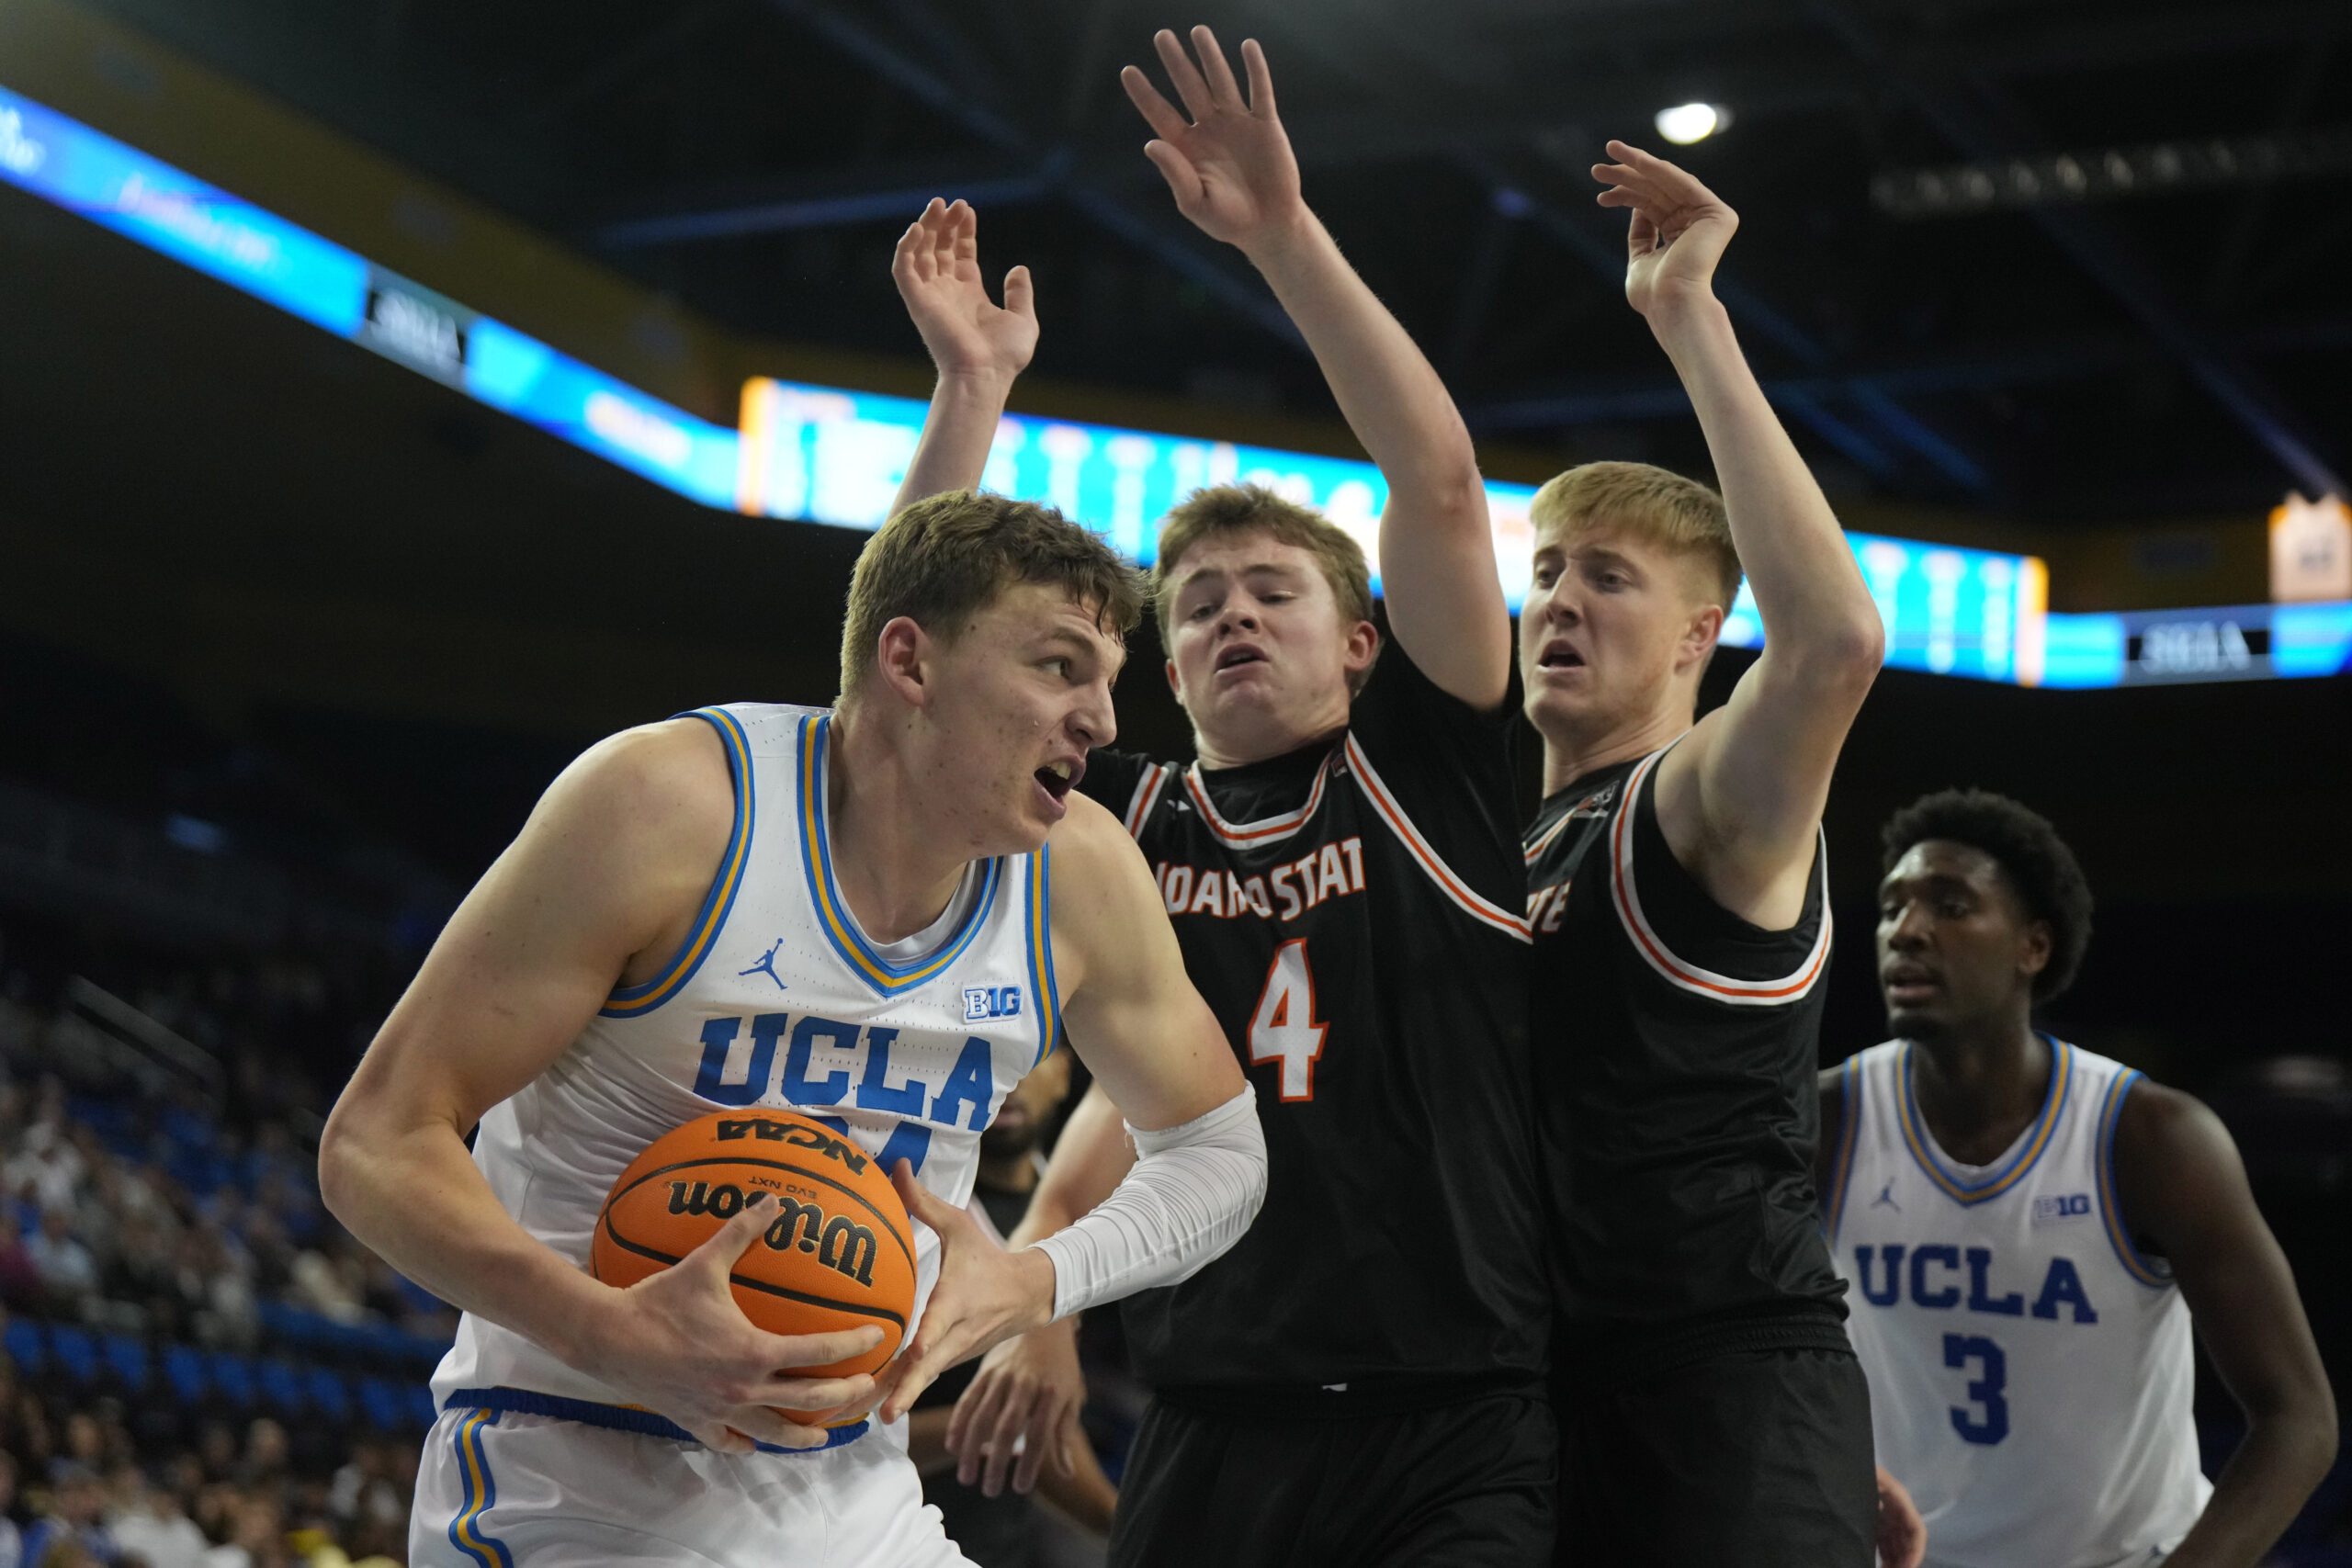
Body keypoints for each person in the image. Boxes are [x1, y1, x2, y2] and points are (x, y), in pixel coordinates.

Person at [319, 484, 1268, 1567]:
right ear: (909, 664)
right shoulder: (669, 808)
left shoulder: (1077, 872)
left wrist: (1036, 1279)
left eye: (1108, 683)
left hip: (854, 1491)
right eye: (1059, 666)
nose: (1100, 720)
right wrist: (607, 1333)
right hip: (576, 1467)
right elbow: (375, 1142)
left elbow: (1220, 1151)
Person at [899, 26, 1552, 1565]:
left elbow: (1444, 484)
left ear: (1366, 641)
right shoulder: (1125, 821)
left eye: (1272, 592)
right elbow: (913, 675)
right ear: (1161, 669)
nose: (1233, 617)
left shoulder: (1429, 765)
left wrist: (1282, 235)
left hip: (1456, 1408)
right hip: (1210, 1402)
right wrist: (970, 394)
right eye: (1195, 606)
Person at [1514, 144, 1892, 1565]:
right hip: (1546, 1387)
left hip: (1721, 1386)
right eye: (1546, 567)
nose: (1561, 597)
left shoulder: (1696, 802)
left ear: (1695, 638)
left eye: (1608, 575)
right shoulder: (1511, 846)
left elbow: (1841, 643)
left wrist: (1689, 317)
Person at [1822, 788, 2337, 1568]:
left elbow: (2300, 1418)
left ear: (2033, 945)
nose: (1907, 930)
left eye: (1951, 906)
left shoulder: (2151, 1137)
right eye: (1892, 907)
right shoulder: (1826, 1119)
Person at [909, 1048, 1119, 1562]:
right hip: (913, 1530)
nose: (1010, 1081)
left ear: (1066, 1075)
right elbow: (845, 1428)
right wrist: (995, 1421)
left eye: (1029, 1060)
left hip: (1020, 1535)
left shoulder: (1092, 1210)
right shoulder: (917, 1214)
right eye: (987, 1061)